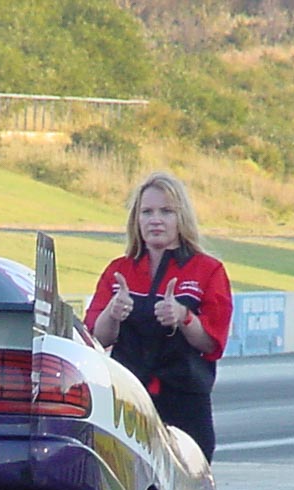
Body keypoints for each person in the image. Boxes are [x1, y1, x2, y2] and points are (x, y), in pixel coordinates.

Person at [85, 171, 232, 461]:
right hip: (128, 402)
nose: (156, 220)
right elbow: (95, 339)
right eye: (147, 212)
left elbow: (211, 343)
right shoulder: (119, 270)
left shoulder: (208, 270)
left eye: (166, 212)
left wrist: (184, 317)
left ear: (181, 218)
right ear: (136, 220)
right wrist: (113, 313)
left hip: (185, 402)